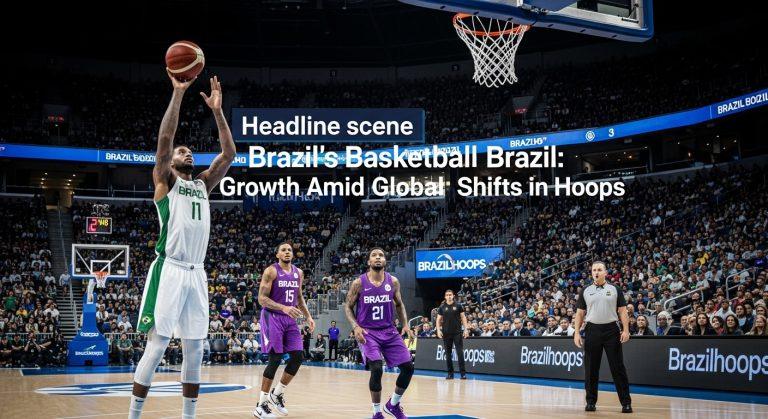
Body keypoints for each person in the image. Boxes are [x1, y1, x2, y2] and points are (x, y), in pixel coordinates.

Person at [129, 72, 236, 419]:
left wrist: (218, 111)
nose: (187, 152)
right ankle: (133, 415)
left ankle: (188, 417)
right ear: (171, 161)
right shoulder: (165, 181)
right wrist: (178, 93)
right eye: (182, 151)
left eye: (189, 150)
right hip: (169, 269)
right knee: (158, 346)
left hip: (197, 273)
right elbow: (164, 137)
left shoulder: (203, 184)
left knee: (195, 350)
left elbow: (229, 153)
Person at [344, 248, 415, 419]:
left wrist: (405, 324)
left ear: (385, 261)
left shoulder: (394, 281)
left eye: (381, 255)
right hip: (368, 332)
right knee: (376, 369)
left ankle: (393, 405)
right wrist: (355, 326)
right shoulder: (359, 283)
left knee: (408, 368)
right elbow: (348, 307)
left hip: (389, 331)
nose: (377, 257)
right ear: (369, 262)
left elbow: (399, 304)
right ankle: (376, 413)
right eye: (374, 255)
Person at [253, 242, 315, 419]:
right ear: (277, 255)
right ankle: (261, 405)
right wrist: (284, 308)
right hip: (272, 317)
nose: (287, 252)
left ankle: (276, 393)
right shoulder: (271, 271)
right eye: (283, 250)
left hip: (289, 320)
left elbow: (299, 297)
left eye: (289, 250)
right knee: (275, 359)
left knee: (298, 356)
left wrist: (308, 316)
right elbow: (261, 299)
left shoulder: (298, 273)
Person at [573, 261, 632, 413]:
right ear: (591, 272)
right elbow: (579, 314)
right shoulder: (585, 290)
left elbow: (623, 311)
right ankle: (590, 402)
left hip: (611, 330)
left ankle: (626, 402)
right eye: (594, 270)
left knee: (617, 368)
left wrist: (626, 330)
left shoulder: (615, 289)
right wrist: (577, 332)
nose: (596, 272)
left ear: (606, 272)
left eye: (599, 270)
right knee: (591, 369)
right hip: (592, 330)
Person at [436, 289, 469, 379]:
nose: (449, 296)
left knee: (460, 353)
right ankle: (450, 374)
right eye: (447, 295)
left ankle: (463, 374)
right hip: (446, 333)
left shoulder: (458, 305)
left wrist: (466, 329)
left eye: (450, 295)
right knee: (448, 354)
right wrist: (438, 330)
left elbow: (463, 318)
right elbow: (438, 320)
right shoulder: (442, 307)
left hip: (457, 333)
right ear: (445, 297)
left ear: (453, 296)